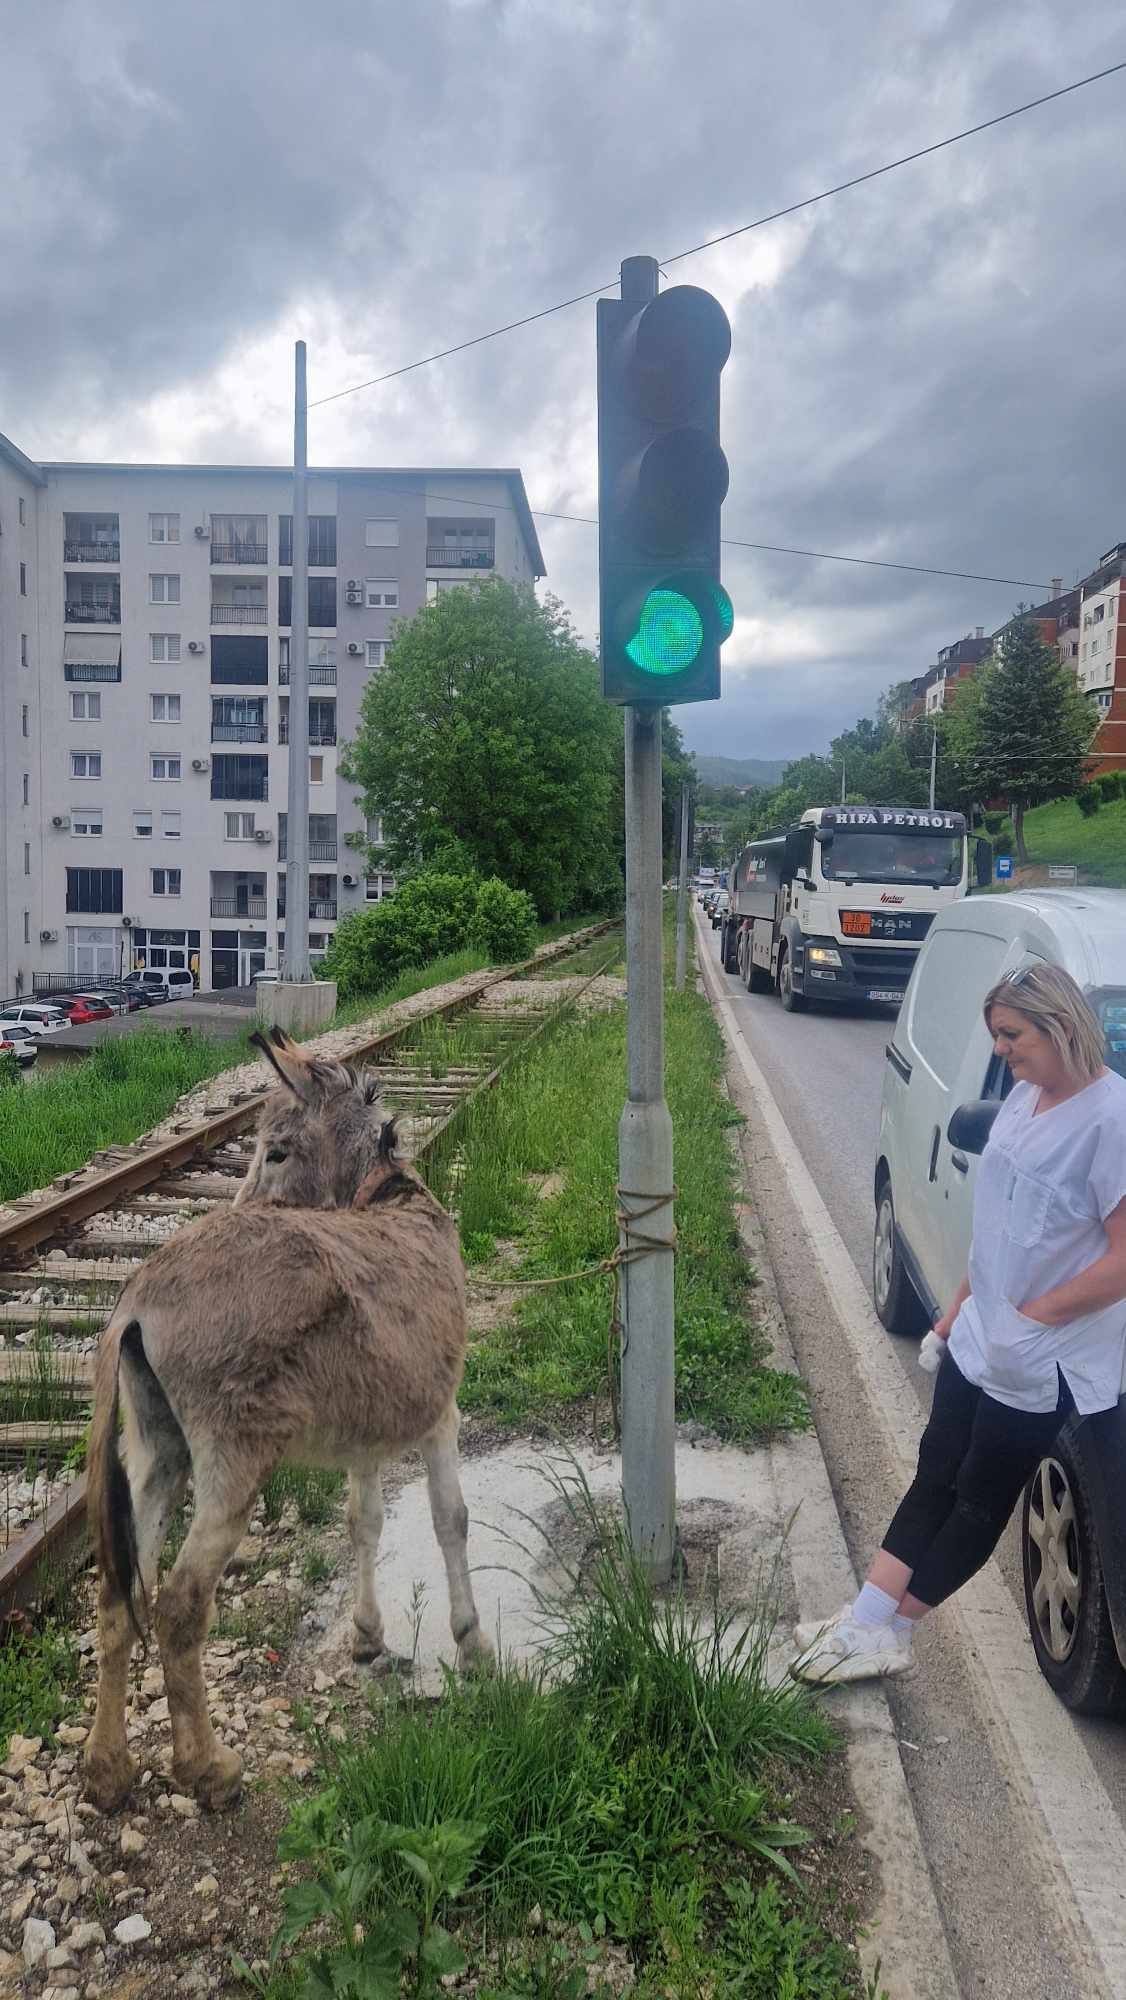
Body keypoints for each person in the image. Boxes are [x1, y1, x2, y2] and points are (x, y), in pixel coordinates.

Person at [793, 963, 1126, 1684]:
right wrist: (958, 1308)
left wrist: (1033, 1316)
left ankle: (897, 1632)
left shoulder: (1111, 1119)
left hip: (1042, 1358)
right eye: (997, 1035)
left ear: (1060, 1026)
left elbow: (1122, 1260)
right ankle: (865, 1620)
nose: (1000, 1050)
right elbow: (1001, 1224)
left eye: (1011, 1035)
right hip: (980, 1335)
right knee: (933, 1474)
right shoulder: (1024, 1097)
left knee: (979, 1500)